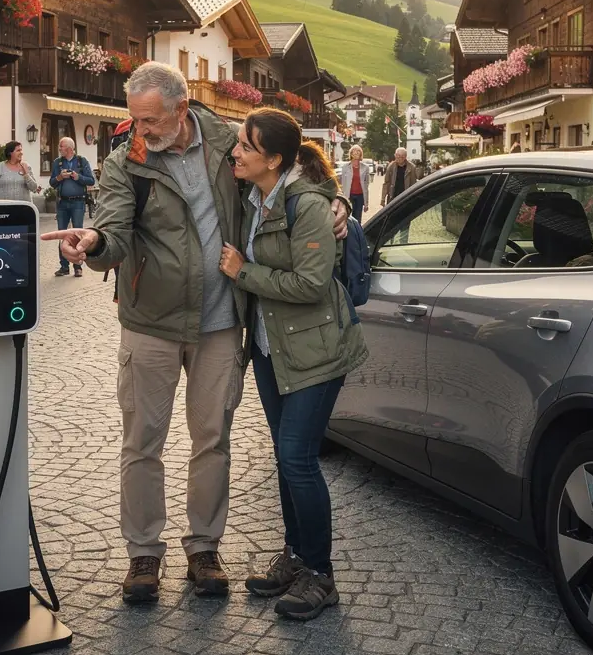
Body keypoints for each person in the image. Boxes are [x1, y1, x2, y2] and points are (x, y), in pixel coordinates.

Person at [41, 61, 349, 604]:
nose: (141, 130)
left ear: (181, 109)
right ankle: (143, 554)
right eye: (134, 119)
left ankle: (204, 547)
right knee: (142, 443)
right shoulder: (125, 163)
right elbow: (111, 227)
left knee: (213, 441)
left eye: (151, 120)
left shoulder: (229, 142)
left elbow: (294, 171)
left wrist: (337, 201)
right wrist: (92, 244)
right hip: (151, 323)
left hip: (222, 323)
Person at [219, 108, 368, 620]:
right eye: (238, 143)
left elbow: (309, 284)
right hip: (268, 349)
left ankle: (321, 576)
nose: (235, 152)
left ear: (274, 159)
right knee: (287, 460)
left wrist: (245, 273)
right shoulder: (252, 195)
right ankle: (297, 557)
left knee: (298, 459)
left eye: (245, 147)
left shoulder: (306, 204)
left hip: (316, 350)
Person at [49, 137, 95, 277]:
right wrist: (60, 178)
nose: (59, 148)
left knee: (77, 234)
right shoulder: (58, 162)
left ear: (69, 148)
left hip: (78, 203)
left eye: (61, 146)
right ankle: (64, 266)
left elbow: (91, 180)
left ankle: (78, 266)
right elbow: (52, 182)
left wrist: (77, 177)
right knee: (62, 234)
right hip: (63, 203)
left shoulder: (81, 161)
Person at [339, 145, 370, 223]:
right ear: (351, 154)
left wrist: (366, 203)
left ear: (361, 154)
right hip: (349, 196)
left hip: (360, 196)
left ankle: (356, 234)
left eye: (358, 151)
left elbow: (366, 186)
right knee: (348, 217)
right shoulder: (345, 167)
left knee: (357, 219)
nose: (356, 152)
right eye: (354, 151)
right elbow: (343, 184)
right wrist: (342, 199)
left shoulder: (365, 167)